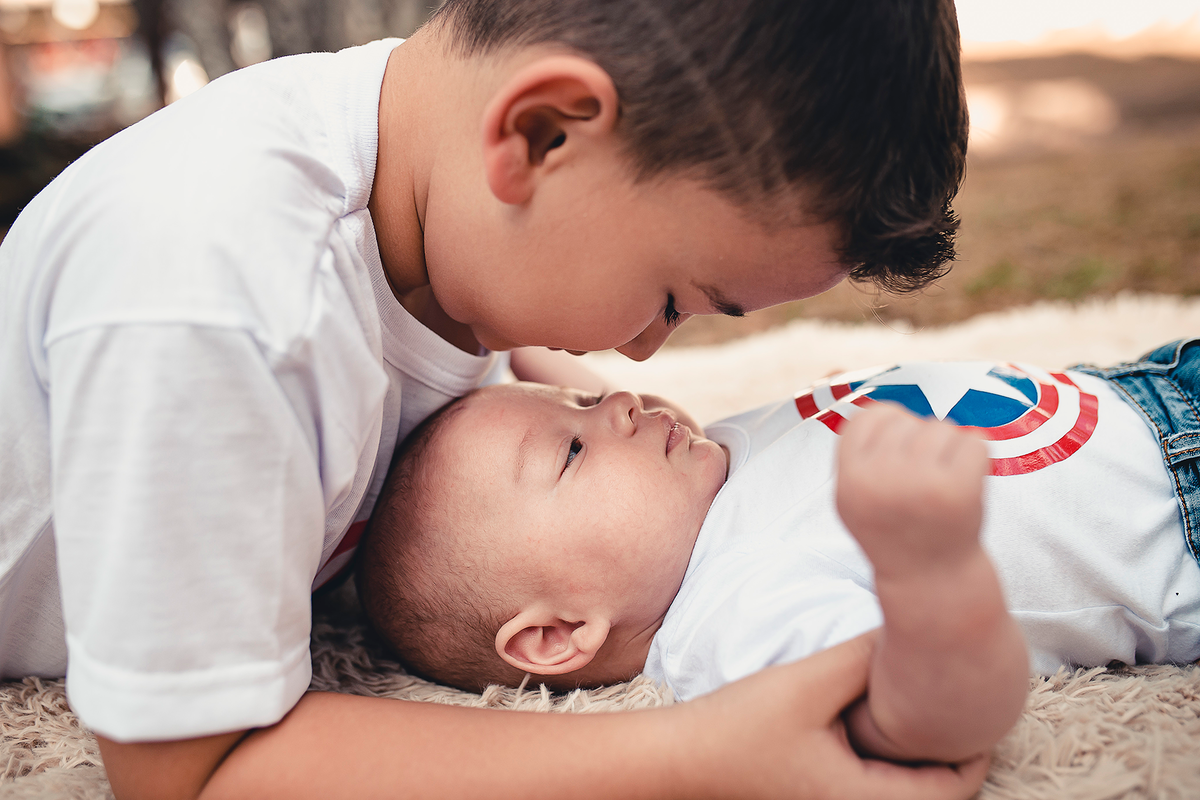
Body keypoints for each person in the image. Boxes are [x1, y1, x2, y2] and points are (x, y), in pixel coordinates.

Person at [0, 0, 982, 798]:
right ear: (542, 133)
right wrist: (696, 751)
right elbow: (188, 770)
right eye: (672, 299)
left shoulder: (431, 180)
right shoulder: (218, 301)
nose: (643, 351)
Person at [359, 339, 1200, 764]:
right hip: (1176, 511)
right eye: (572, 450)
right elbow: (934, 724)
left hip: (1143, 385)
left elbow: (589, 411)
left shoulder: (692, 481)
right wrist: (932, 571)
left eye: (581, 400)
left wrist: (540, 372)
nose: (617, 406)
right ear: (558, 633)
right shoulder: (739, 617)